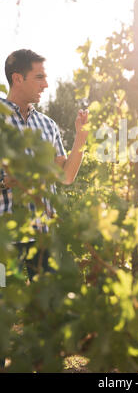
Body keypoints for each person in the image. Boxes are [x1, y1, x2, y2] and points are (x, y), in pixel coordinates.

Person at [0, 49, 89, 368]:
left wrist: (79, 140)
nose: (46, 84)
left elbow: (65, 176)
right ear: (17, 78)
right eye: (39, 76)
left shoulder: (47, 125)